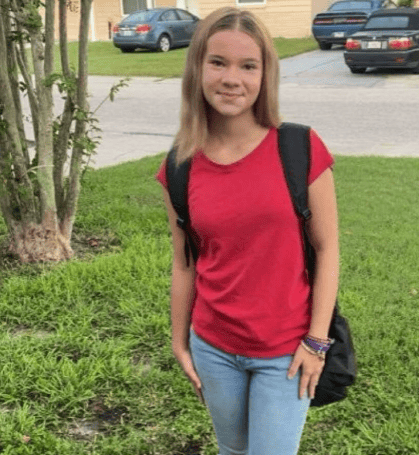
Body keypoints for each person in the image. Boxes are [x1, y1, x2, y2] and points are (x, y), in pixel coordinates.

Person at [155, 7, 339, 455]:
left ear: (265, 74)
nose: (231, 79)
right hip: (213, 348)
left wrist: (316, 341)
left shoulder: (299, 148)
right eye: (218, 62)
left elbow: (327, 247)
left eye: (248, 66)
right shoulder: (179, 165)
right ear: (198, 69)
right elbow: (185, 263)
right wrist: (180, 341)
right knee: (232, 450)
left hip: (286, 351)